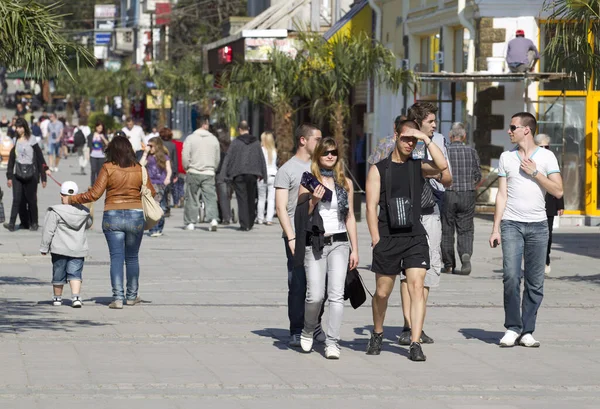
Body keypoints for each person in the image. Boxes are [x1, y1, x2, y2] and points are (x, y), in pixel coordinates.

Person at [365, 119, 448, 361]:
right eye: (406, 138)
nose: (409, 143)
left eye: (413, 139)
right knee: (382, 292)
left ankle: (414, 341)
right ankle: (378, 333)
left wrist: (426, 139)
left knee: (416, 288)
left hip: (414, 236)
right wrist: (375, 238)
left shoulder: (418, 165)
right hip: (388, 237)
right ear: (395, 136)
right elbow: (370, 207)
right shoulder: (378, 169)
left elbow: (442, 166)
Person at [489, 112, 563, 348]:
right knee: (511, 276)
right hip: (511, 223)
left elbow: (558, 191)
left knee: (535, 281)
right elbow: (502, 194)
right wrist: (495, 228)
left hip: (539, 226)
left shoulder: (547, 156)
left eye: (513, 127)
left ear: (526, 130)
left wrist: (535, 173)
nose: (509, 131)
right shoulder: (505, 157)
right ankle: (512, 327)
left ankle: (527, 330)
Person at [63, 135, 156, 309]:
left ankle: (118, 298)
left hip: (112, 215)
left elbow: (94, 195)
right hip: (135, 215)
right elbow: (152, 192)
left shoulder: (107, 167)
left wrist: (71, 199)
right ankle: (131, 296)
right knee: (132, 257)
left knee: (116, 258)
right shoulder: (139, 168)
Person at [295, 137, 359, 359]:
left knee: (336, 296)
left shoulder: (345, 183)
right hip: (316, 242)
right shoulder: (309, 180)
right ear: (317, 156)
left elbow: (349, 217)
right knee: (315, 296)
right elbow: (301, 213)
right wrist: (313, 200)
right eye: (325, 153)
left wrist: (355, 249)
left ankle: (332, 341)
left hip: (340, 243)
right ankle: (309, 329)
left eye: (333, 153)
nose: (330, 156)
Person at [275, 123, 323, 347]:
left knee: (319, 283)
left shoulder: (322, 166)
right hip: (297, 234)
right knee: (298, 283)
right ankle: (296, 329)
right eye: (317, 139)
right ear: (303, 140)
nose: (322, 144)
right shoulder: (287, 170)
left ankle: (314, 326)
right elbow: (281, 208)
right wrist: (291, 236)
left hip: (320, 233)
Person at [40, 181, 92, 308]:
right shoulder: (84, 211)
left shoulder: (55, 211)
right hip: (78, 248)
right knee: (75, 274)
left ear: (61, 195)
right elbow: (89, 224)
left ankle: (57, 298)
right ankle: (76, 297)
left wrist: (44, 246)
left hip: (59, 249)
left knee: (58, 273)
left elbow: (48, 230)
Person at [441, 122, 482, 275]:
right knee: (466, 228)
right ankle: (465, 256)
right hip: (468, 193)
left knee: (447, 229)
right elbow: (478, 174)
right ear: (464, 136)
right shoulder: (471, 150)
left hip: (448, 192)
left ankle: (449, 264)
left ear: (450, 137)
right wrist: (471, 184)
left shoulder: (445, 151)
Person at [4, 118, 49, 232]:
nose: (18, 129)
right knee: (17, 200)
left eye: (20, 127)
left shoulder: (32, 139)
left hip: (31, 174)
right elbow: (12, 159)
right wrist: (9, 176)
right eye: (17, 127)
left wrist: (44, 174)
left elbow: (39, 157)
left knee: (31, 200)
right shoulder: (15, 140)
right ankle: (12, 223)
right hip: (17, 174)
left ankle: (34, 223)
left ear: (25, 127)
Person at [222, 120, 267, 231]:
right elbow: (261, 158)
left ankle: (244, 224)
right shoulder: (256, 142)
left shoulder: (236, 142)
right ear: (249, 129)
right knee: (251, 198)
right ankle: (250, 222)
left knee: (241, 199)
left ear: (239, 129)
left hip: (239, 174)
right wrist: (263, 174)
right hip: (252, 174)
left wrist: (224, 174)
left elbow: (228, 157)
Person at [182, 116, 220, 231]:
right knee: (210, 197)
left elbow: (185, 156)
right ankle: (213, 219)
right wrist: (214, 168)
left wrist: (186, 167)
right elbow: (217, 158)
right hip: (209, 172)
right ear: (205, 124)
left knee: (191, 197)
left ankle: (190, 222)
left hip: (193, 170)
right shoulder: (214, 139)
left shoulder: (190, 138)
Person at [534, 134, 564, 276]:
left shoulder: (552, 159)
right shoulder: (530, 160)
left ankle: (545, 260)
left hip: (550, 204)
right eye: (542, 147)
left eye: (547, 146)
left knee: (548, 236)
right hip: (534, 202)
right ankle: (535, 262)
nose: (545, 149)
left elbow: (558, 183)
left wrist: (560, 204)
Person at [140, 137, 172, 237]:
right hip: (150, 184)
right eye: (148, 145)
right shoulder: (148, 156)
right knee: (152, 207)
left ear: (157, 146)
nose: (149, 148)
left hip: (161, 184)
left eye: (151, 146)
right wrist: (145, 153)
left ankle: (159, 228)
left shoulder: (164, 156)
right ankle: (153, 229)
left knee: (161, 207)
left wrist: (168, 178)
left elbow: (168, 169)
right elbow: (140, 166)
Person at [257, 132, 277, 225]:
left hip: (262, 176)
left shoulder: (261, 150)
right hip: (273, 175)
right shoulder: (274, 151)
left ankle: (260, 218)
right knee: (271, 199)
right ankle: (269, 219)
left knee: (261, 198)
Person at [159, 128, 178, 218]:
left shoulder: (159, 145)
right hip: (170, 169)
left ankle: (161, 206)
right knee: (168, 190)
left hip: (160, 168)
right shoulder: (173, 145)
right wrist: (175, 173)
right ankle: (167, 208)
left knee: (160, 189)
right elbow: (175, 159)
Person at [215, 128, 233, 224]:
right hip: (229, 174)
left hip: (219, 173)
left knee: (221, 195)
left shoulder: (218, 147)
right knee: (227, 196)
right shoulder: (231, 146)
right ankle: (227, 215)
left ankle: (224, 216)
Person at [353, 124, 367, 190]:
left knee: (363, 176)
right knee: (360, 176)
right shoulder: (358, 139)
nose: (356, 131)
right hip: (359, 161)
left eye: (357, 129)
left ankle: (364, 189)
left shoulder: (366, 138)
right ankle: (361, 189)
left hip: (364, 161)